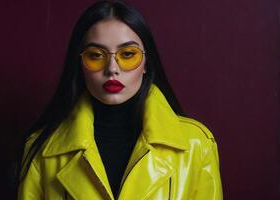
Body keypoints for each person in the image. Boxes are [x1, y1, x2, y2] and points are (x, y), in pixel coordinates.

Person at [15, 1, 222, 199]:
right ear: (79, 64)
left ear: (146, 63)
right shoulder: (42, 150)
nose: (112, 68)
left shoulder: (196, 144)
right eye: (96, 55)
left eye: (128, 54)